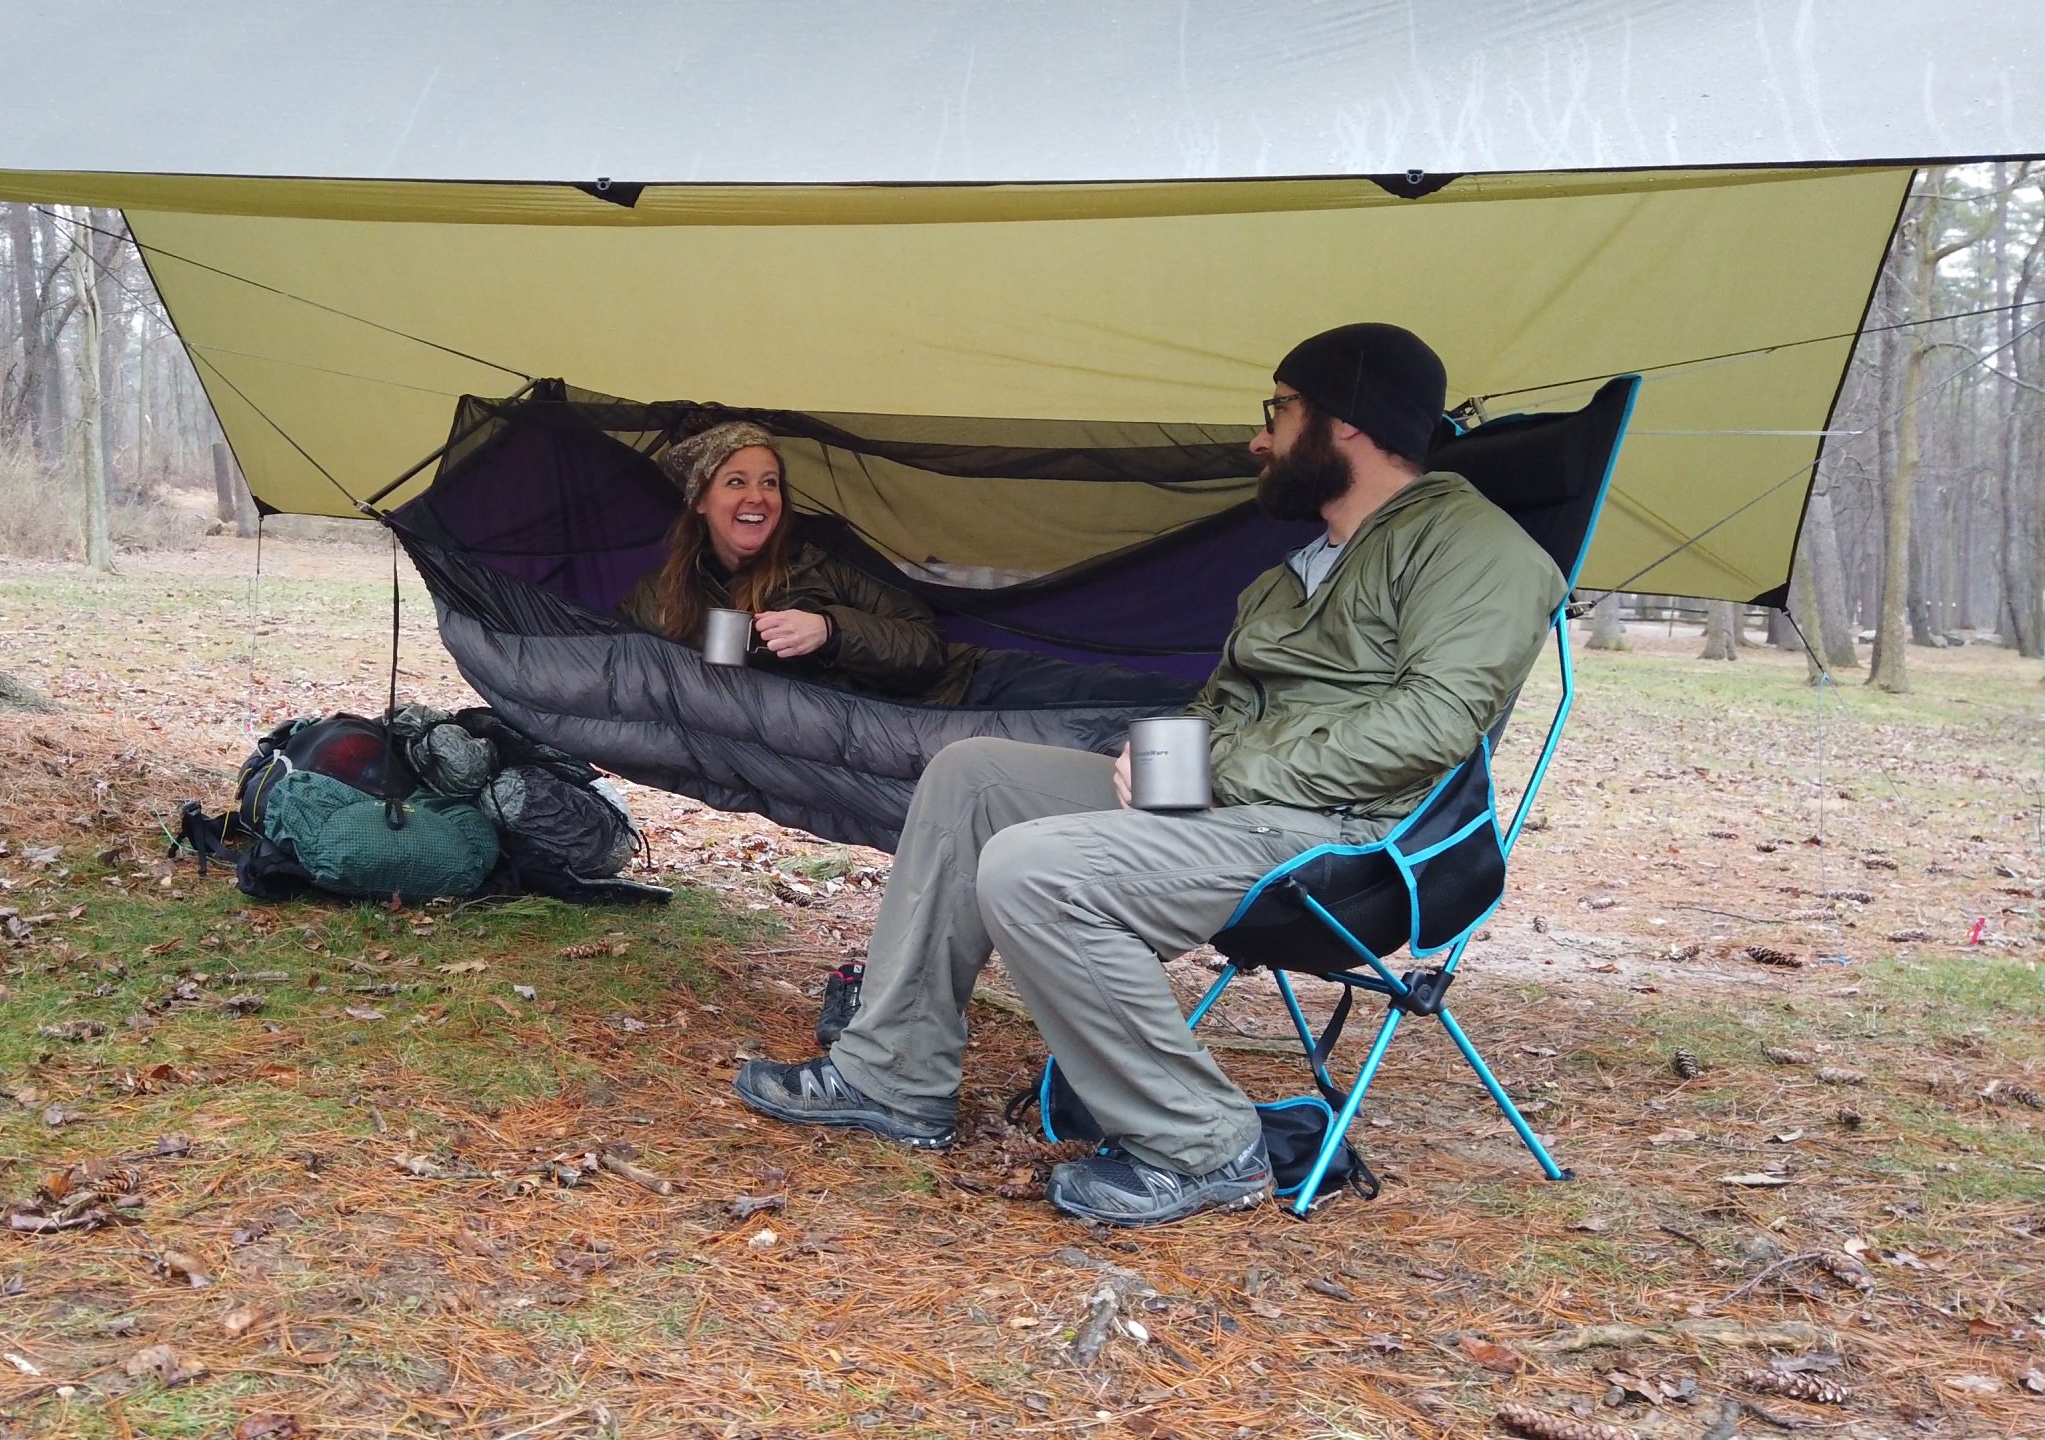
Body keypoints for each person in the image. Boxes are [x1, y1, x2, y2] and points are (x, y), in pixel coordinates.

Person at [733, 323, 1570, 1228]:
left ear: (1348, 424)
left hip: (1353, 839)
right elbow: (1224, 708)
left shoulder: (1476, 550)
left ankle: (1203, 1146)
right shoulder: (1293, 576)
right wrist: (1168, 756)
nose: (1261, 438)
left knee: (1036, 868)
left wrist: (1214, 768)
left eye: (1279, 411)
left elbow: (1434, 726)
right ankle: (891, 1074)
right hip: (1237, 806)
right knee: (973, 775)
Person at [618, 420, 972, 702]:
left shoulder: (823, 559)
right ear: (700, 501)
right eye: (736, 482)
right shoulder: (660, 593)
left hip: (936, 704)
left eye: (769, 483)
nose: (757, 497)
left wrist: (831, 630)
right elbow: (610, 665)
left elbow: (926, 647)